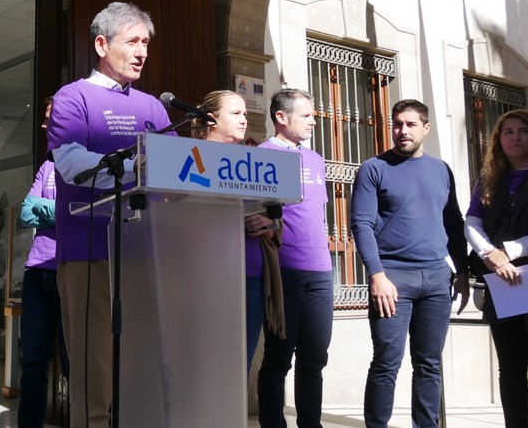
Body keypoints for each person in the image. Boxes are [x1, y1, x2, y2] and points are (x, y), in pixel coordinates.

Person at [46, 1, 172, 428]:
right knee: (92, 364)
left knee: (141, 360)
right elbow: (71, 165)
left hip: (143, 251)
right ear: (102, 43)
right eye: (133, 41)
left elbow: (171, 173)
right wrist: (138, 167)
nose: (142, 52)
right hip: (89, 250)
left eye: (147, 43)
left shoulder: (155, 107)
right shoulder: (73, 96)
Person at [350, 99, 470, 428]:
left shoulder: (441, 170)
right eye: (397, 124)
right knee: (387, 362)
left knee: (429, 364)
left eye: (410, 124)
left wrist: (462, 272)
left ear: (425, 128)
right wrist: (377, 274)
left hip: (436, 279)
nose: (402, 131)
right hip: (392, 279)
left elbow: (453, 223)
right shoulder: (373, 168)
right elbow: (361, 225)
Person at [463, 109, 528, 428]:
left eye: (523, 131)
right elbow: (472, 222)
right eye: (508, 132)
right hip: (500, 284)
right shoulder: (490, 178)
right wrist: (491, 254)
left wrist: (510, 251)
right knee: (510, 368)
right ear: (499, 140)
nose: (515, 137)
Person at [256, 89, 332, 428]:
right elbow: (252, 211)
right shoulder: (261, 155)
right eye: (306, 115)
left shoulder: (316, 159)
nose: (314, 120)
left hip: (321, 271)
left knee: (314, 360)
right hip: (284, 270)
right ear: (281, 118)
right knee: (278, 359)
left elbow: (320, 212)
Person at [191, 89, 277, 370]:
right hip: (207, 279)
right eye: (236, 113)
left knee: (239, 367)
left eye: (245, 113)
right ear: (211, 119)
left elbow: (277, 221)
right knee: (206, 367)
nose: (244, 120)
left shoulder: (253, 162)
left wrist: (268, 225)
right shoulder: (193, 157)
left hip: (251, 279)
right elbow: (182, 214)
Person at [17, 98, 70, 428]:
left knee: (73, 363)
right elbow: (25, 213)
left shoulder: (87, 165)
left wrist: (48, 210)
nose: (44, 126)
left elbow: (83, 213)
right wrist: (60, 212)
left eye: (51, 119)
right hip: (37, 272)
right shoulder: (47, 167)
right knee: (33, 364)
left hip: (70, 270)